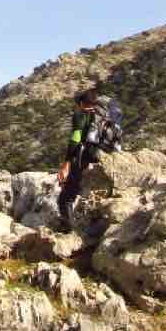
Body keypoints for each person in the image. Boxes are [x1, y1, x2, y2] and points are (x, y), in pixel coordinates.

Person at [56, 89, 100, 231]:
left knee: (64, 199)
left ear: (81, 103)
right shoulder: (98, 115)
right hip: (96, 157)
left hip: (81, 159)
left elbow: (75, 139)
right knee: (74, 193)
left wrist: (66, 163)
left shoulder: (79, 115)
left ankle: (69, 231)